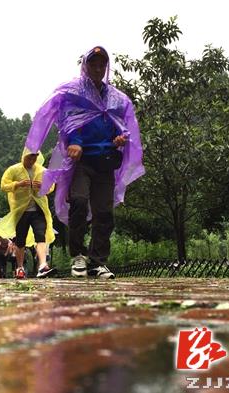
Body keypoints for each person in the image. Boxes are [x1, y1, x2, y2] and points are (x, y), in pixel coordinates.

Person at [25, 46, 145, 279]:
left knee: (104, 212)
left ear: (106, 67)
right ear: (86, 66)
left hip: (106, 160)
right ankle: (78, 255)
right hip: (81, 161)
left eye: (102, 65)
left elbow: (120, 125)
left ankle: (98, 261)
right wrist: (75, 142)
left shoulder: (116, 98)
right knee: (78, 201)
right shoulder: (75, 93)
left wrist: (120, 138)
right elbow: (69, 120)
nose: (98, 69)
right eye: (94, 64)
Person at [0, 149, 56, 279]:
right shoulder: (14, 170)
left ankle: (42, 265)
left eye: (34, 158)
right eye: (29, 158)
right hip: (21, 211)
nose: (32, 161)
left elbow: (51, 186)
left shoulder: (42, 171)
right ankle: (19, 267)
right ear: (24, 156)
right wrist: (18, 184)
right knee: (20, 240)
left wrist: (42, 186)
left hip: (39, 209)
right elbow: (4, 185)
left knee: (40, 235)